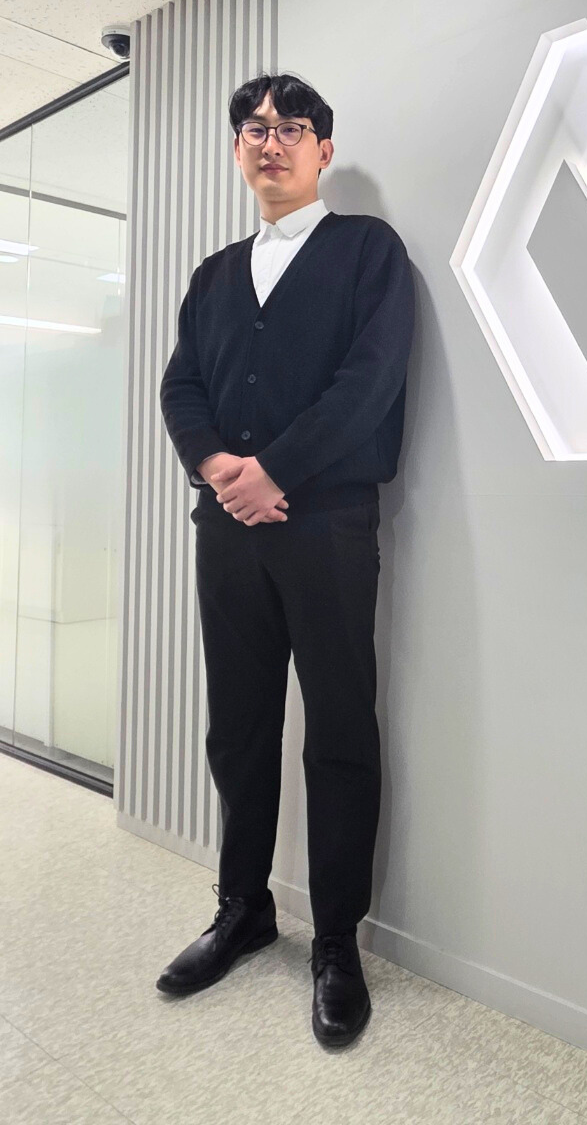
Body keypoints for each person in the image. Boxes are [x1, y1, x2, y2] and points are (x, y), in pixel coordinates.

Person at [156, 72, 414, 1048]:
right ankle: (243, 908)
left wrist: (274, 471)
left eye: (291, 127)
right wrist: (219, 468)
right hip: (227, 527)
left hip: (327, 523)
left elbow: (369, 381)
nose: (271, 141)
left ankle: (336, 940)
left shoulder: (367, 252)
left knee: (339, 728)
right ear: (238, 152)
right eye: (254, 128)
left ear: (323, 151)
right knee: (238, 726)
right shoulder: (215, 274)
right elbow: (183, 386)